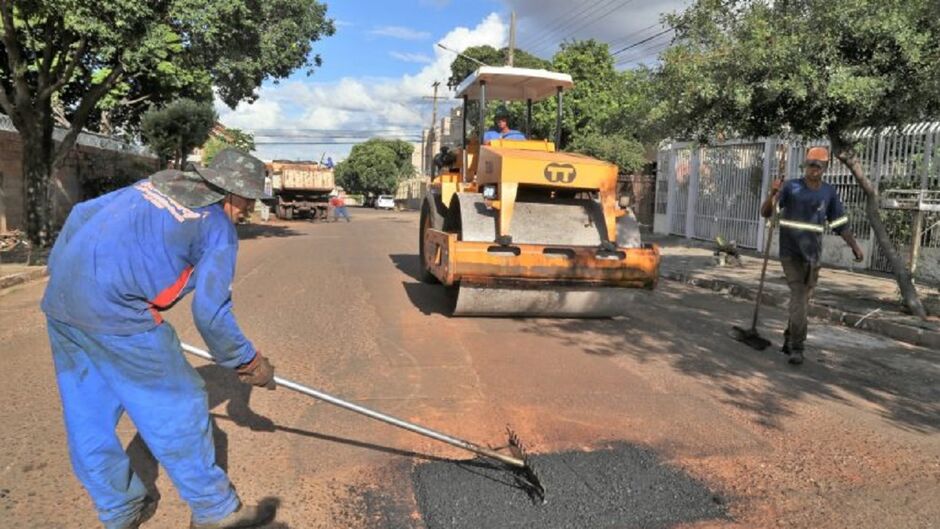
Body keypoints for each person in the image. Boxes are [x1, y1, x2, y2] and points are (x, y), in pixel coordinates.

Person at [41, 148, 278, 529]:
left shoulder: (155, 184)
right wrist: (247, 361)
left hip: (62, 304)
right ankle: (216, 512)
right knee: (180, 404)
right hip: (119, 315)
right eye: (248, 199)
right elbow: (211, 313)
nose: (248, 209)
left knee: (89, 414)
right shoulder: (217, 227)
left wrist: (64, 273)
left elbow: (81, 214)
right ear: (231, 193)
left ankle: (119, 508)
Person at [760, 146, 864, 365]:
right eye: (810, 165)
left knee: (802, 302)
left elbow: (839, 223)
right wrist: (772, 194)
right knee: (798, 296)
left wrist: (854, 246)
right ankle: (798, 347)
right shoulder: (791, 187)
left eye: (818, 166)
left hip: (812, 256)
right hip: (790, 253)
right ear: (805, 165)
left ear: (825, 168)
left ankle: (789, 338)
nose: (813, 169)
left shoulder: (828, 192)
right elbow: (766, 213)